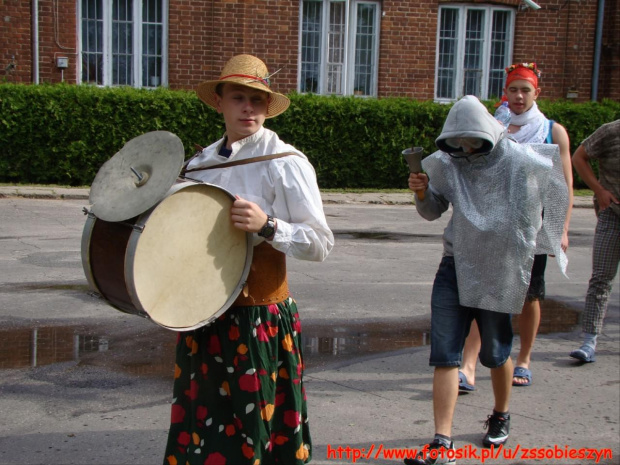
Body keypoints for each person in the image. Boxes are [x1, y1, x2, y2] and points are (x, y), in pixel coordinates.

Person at [163, 54, 334, 465]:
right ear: (219, 101)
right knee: (204, 421)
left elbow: (321, 243)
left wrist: (269, 225)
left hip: (257, 319)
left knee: (255, 426)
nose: (248, 108)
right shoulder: (198, 165)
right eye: (239, 97)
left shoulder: (286, 163)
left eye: (257, 100)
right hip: (203, 314)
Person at [404, 95, 567, 465]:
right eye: (458, 141)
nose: (465, 148)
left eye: (472, 140)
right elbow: (432, 212)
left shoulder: (516, 158)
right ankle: (441, 442)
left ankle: (500, 414)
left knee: (496, 353)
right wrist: (420, 191)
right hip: (455, 265)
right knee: (444, 354)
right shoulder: (447, 163)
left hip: (499, 266)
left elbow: (554, 185)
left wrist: (549, 239)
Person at [459, 63, 573, 390]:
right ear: (504, 93)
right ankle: (469, 366)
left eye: (525, 90)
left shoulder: (552, 131)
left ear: (537, 93)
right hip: (494, 223)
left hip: (532, 226)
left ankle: (523, 358)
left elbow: (563, 184)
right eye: (513, 90)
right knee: (487, 290)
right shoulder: (495, 125)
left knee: (529, 293)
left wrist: (561, 229)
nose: (519, 96)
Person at [569, 120, 620, 363]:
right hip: (613, 216)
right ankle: (589, 341)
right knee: (601, 279)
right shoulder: (611, 132)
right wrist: (600, 191)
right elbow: (579, 157)